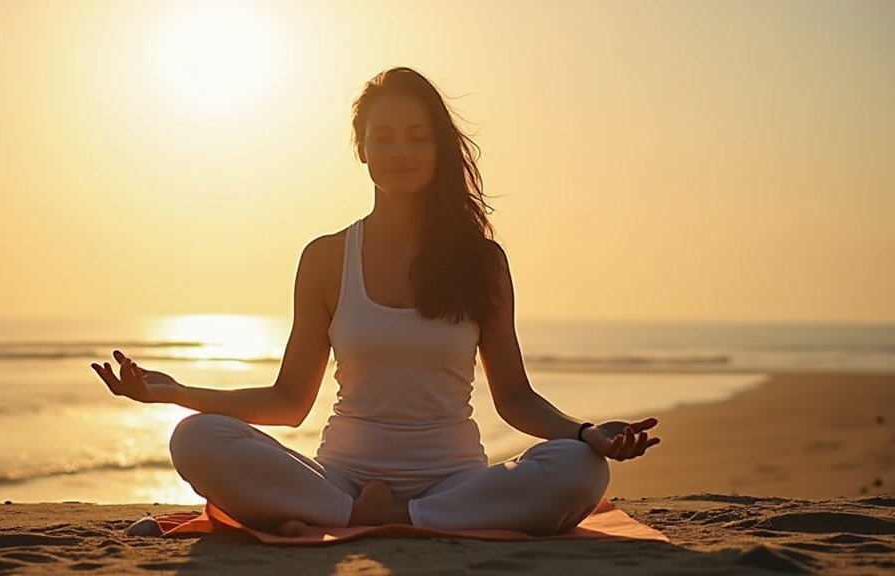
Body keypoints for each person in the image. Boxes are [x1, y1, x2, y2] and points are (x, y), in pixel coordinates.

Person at [92, 67, 660, 537]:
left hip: (456, 483)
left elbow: (514, 397)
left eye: (418, 136)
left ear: (440, 148)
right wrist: (171, 394)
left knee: (580, 469)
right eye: (383, 137)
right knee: (195, 436)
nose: (400, 151)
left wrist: (586, 433)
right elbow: (289, 400)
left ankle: (400, 518)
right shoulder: (326, 258)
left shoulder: (482, 262)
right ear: (361, 148)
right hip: (338, 480)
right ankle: (365, 516)